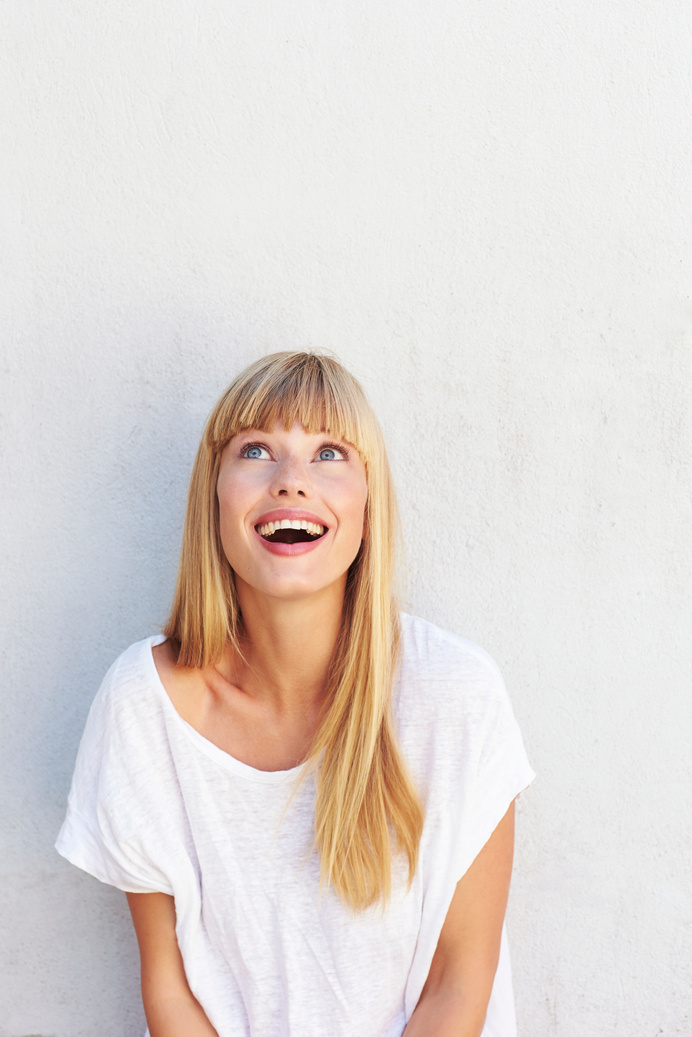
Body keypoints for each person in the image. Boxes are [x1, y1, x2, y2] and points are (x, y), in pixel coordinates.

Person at [56, 350, 534, 1037]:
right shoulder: (143, 706)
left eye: (329, 452)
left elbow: (459, 984)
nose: (291, 482)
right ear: (213, 497)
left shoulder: (456, 695)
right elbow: (169, 990)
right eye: (256, 449)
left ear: (368, 507)